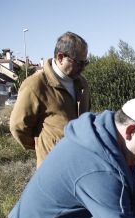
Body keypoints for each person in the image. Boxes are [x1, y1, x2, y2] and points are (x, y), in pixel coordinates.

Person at [10, 31, 91, 167]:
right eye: (78, 63)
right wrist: (43, 145)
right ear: (60, 57)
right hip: (52, 167)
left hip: (79, 162)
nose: (82, 68)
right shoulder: (35, 85)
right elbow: (18, 127)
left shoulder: (82, 83)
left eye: (85, 63)